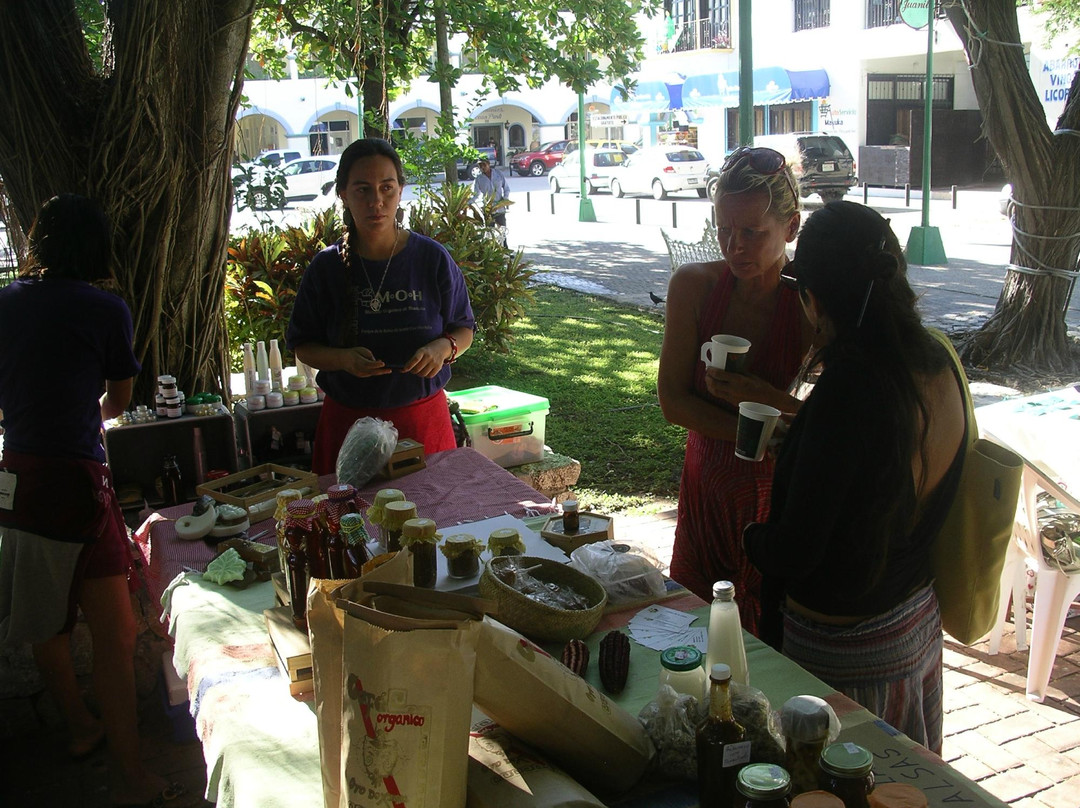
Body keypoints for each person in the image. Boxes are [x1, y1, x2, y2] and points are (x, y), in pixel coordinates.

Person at [743, 201, 966, 754]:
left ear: (813, 298)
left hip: (846, 654)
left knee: (842, 785)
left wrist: (751, 538)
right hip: (913, 622)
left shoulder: (851, 389)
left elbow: (797, 550)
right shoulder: (936, 360)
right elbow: (885, 481)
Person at [0, 195, 189, 806]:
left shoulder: (4, 303)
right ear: (97, 251)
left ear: (40, 244)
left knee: (44, 620)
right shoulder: (106, 309)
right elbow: (116, 402)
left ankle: (82, 727)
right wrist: (81, 415)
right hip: (79, 485)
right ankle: (133, 777)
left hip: (18, 481)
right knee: (117, 632)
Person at [657, 147, 813, 635]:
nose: (734, 246)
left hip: (777, 496)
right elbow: (673, 401)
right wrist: (762, 433)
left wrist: (759, 393)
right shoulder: (695, 287)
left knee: (768, 633)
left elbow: (827, 418)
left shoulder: (810, 301)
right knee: (696, 627)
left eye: (752, 233)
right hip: (707, 485)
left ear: (790, 229)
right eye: (724, 229)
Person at [287, 138, 476, 475]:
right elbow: (304, 346)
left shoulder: (431, 258)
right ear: (343, 193)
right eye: (362, 189)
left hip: (423, 423)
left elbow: (464, 329)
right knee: (349, 522)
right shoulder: (326, 268)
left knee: (433, 520)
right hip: (347, 425)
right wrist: (343, 359)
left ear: (401, 190)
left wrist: (443, 347)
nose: (376, 201)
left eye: (387, 188)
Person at [471, 156, 511, 242]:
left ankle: (505, 250)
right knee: (489, 232)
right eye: (480, 166)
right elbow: (475, 195)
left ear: (488, 164)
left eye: (484, 165)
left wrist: (505, 200)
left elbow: (506, 188)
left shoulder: (498, 174)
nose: (482, 167)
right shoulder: (478, 179)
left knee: (502, 230)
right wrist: (466, 203)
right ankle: (491, 251)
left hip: (500, 208)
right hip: (488, 210)